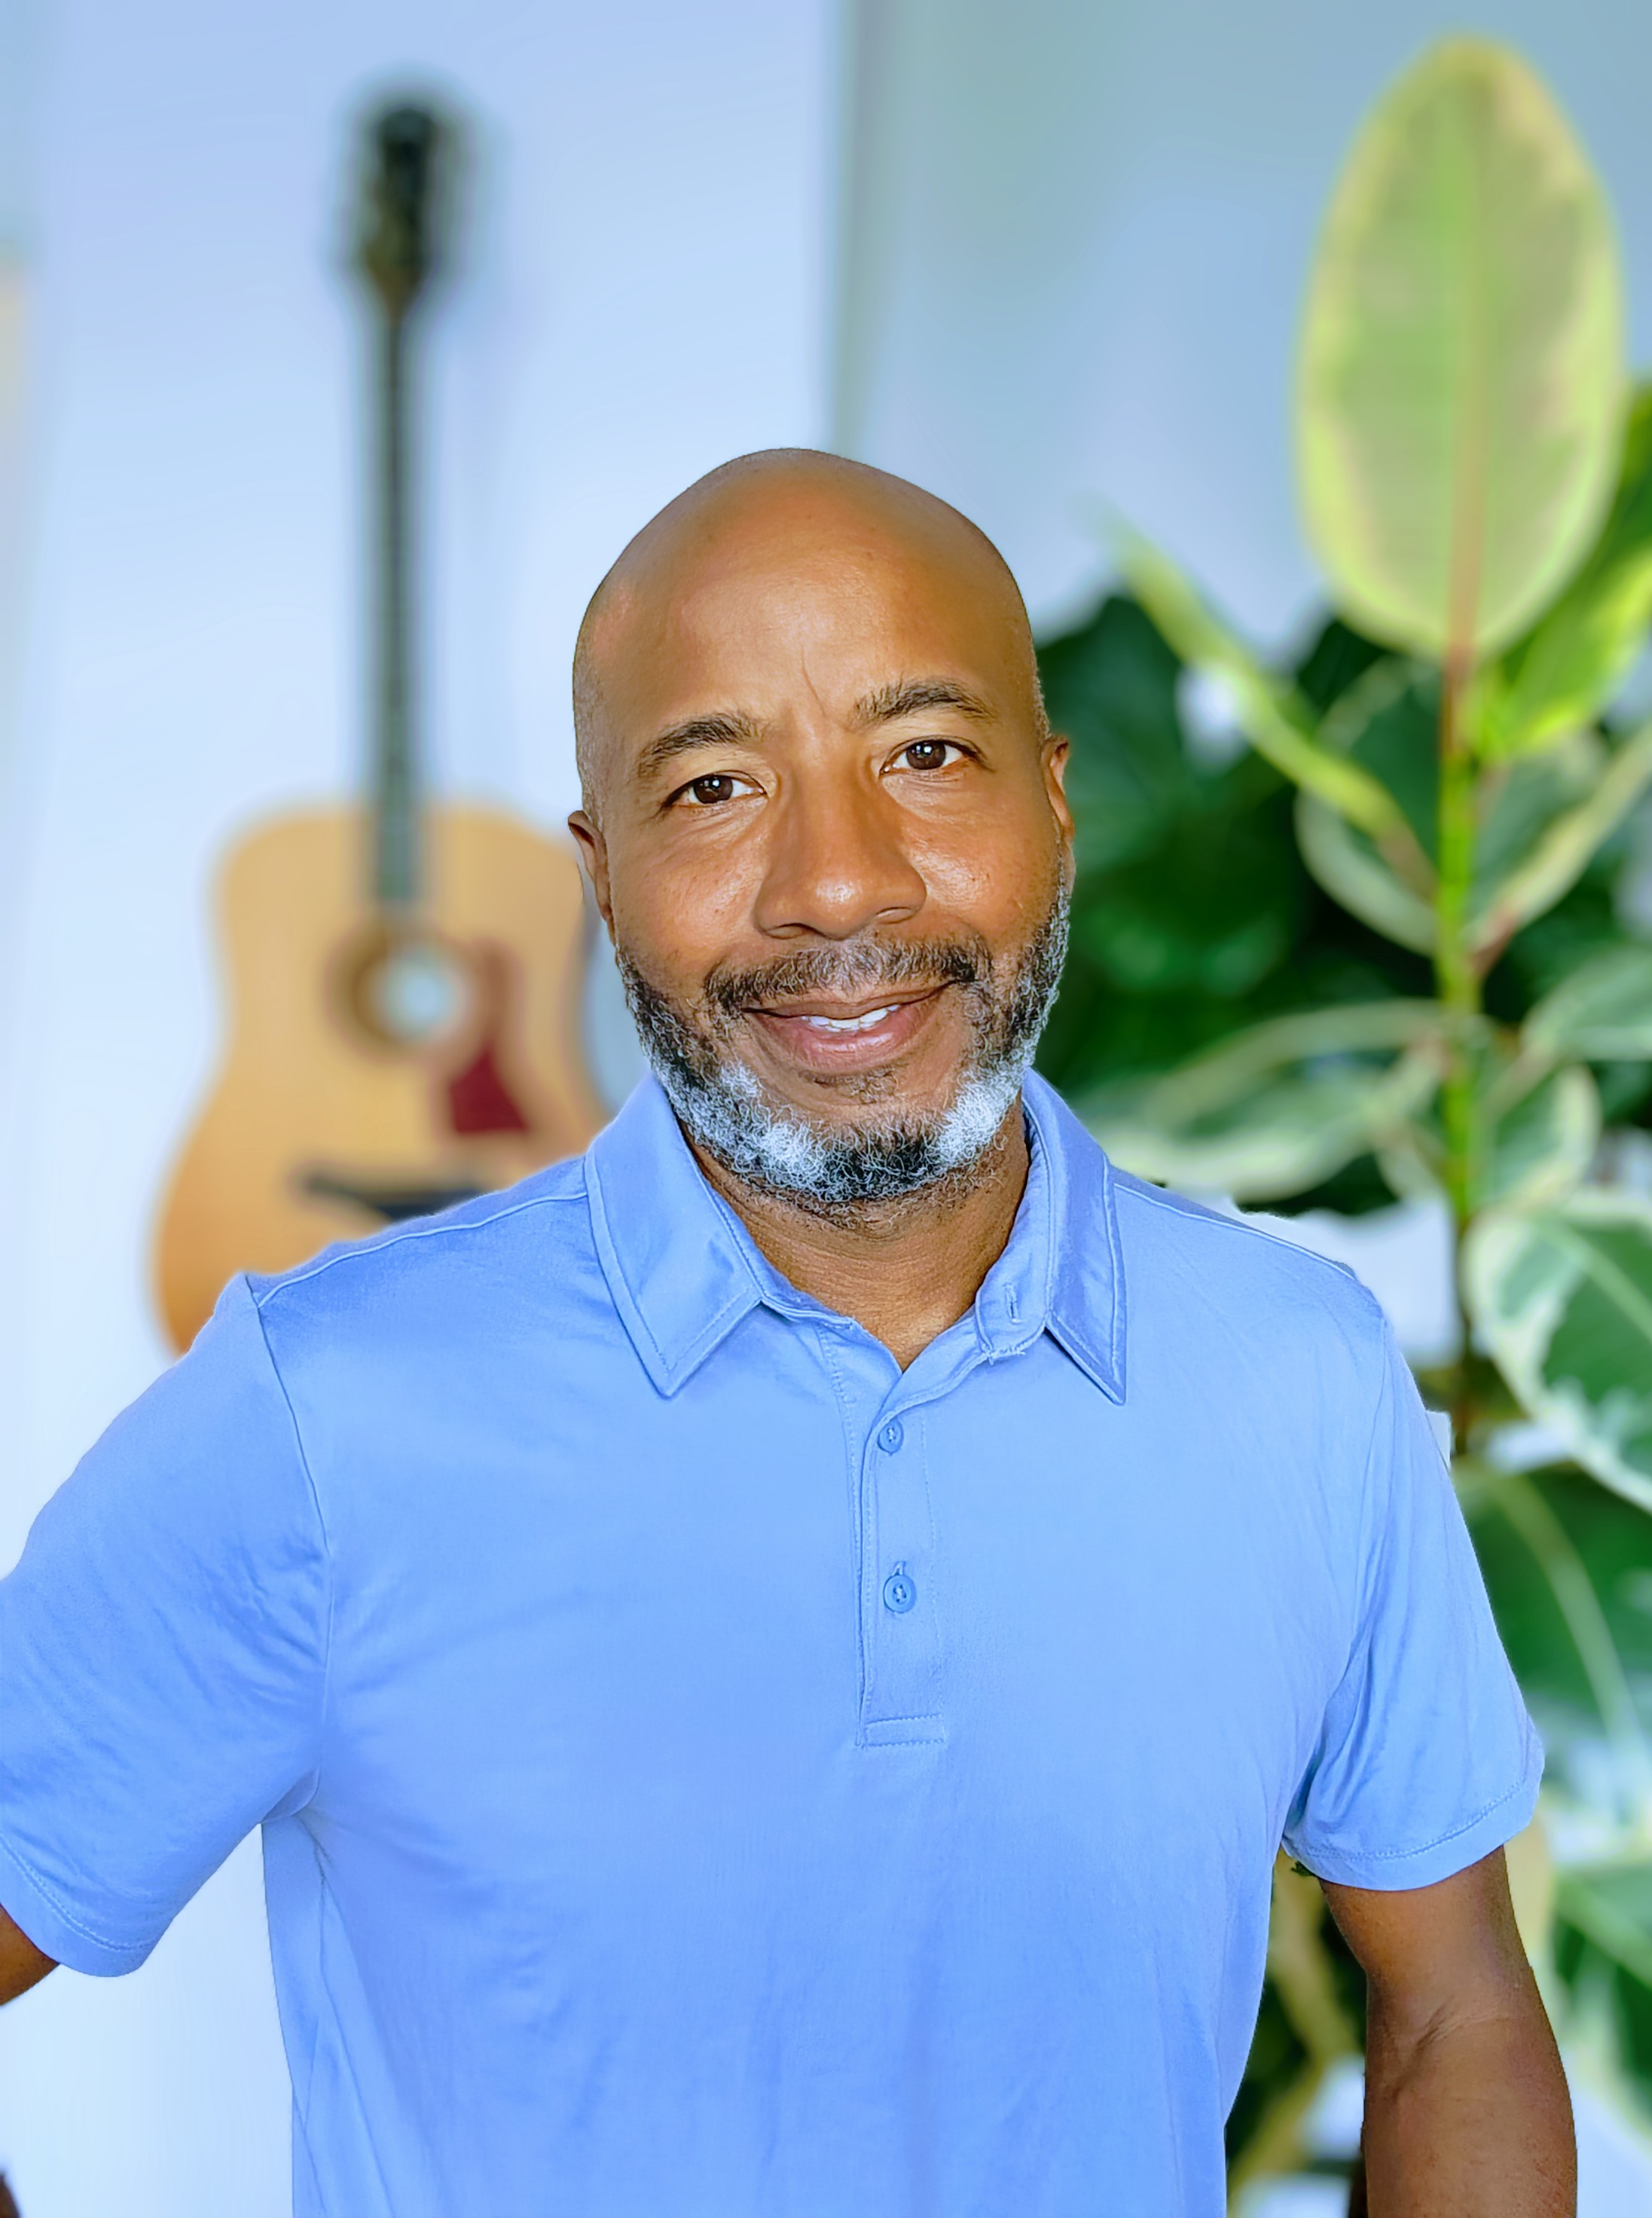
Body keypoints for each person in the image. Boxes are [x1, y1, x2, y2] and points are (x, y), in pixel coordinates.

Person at [0, 451, 1571, 2216]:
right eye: (714, 786)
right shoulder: (322, 1411)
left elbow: (1453, 2007)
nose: (835, 883)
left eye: (925, 754)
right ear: (600, 875)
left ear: (1055, 801)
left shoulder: (1298, 1375)